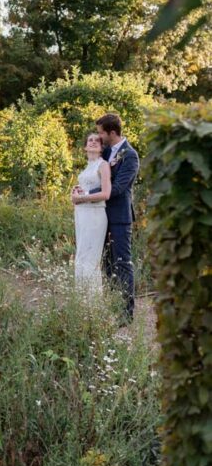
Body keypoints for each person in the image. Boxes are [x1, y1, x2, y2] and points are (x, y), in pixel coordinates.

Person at [94, 113, 140, 323]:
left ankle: (126, 314)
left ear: (112, 132)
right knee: (106, 264)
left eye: (101, 132)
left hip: (120, 217)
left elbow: (119, 187)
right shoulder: (104, 152)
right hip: (100, 216)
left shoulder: (130, 155)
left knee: (123, 263)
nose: (99, 136)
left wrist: (89, 195)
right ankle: (112, 306)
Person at [71, 133, 111, 296]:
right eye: (90, 140)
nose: (93, 142)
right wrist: (75, 192)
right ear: (85, 146)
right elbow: (85, 189)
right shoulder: (87, 167)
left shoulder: (103, 165)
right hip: (81, 214)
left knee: (90, 258)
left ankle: (92, 304)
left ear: (102, 148)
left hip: (95, 215)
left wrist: (81, 198)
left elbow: (106, 193)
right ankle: (80, 301)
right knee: (80, 256)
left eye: (97, 140)